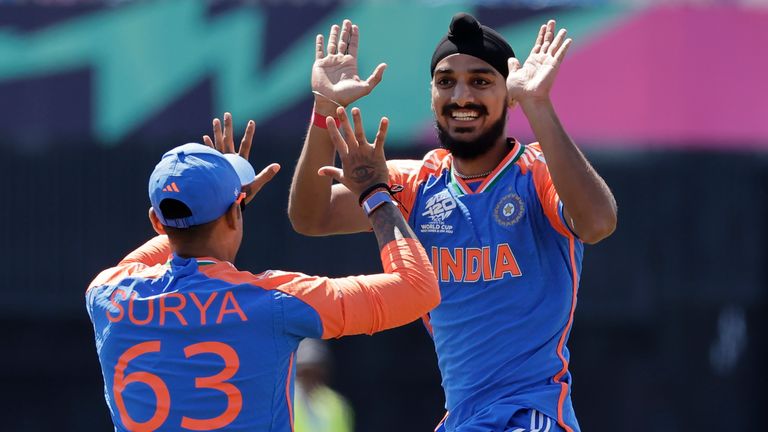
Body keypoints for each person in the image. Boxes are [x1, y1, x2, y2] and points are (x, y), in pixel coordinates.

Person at [288, 13, 617, 432]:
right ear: (431, 95)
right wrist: (324, 110)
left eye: (480, 81)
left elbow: (598, 223)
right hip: (463, 418)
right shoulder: (419, 182)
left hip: (530, 415)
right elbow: (310, 217)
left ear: (510, 95)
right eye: (446, 81)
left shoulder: (535, 173)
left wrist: (539, 104)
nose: (461, 96)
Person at [85, 113, 439, 432]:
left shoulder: (107, 294)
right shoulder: (275, 301)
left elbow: (167, 243)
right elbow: (417, 289)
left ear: (155, 222)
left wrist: (226, 205)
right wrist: (376, 196)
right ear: (233, 215)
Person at [294, 339, 354, 432]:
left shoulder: (336, 404)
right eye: (305, 373)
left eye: (316, 373)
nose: (310, 378)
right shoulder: (283, 402)